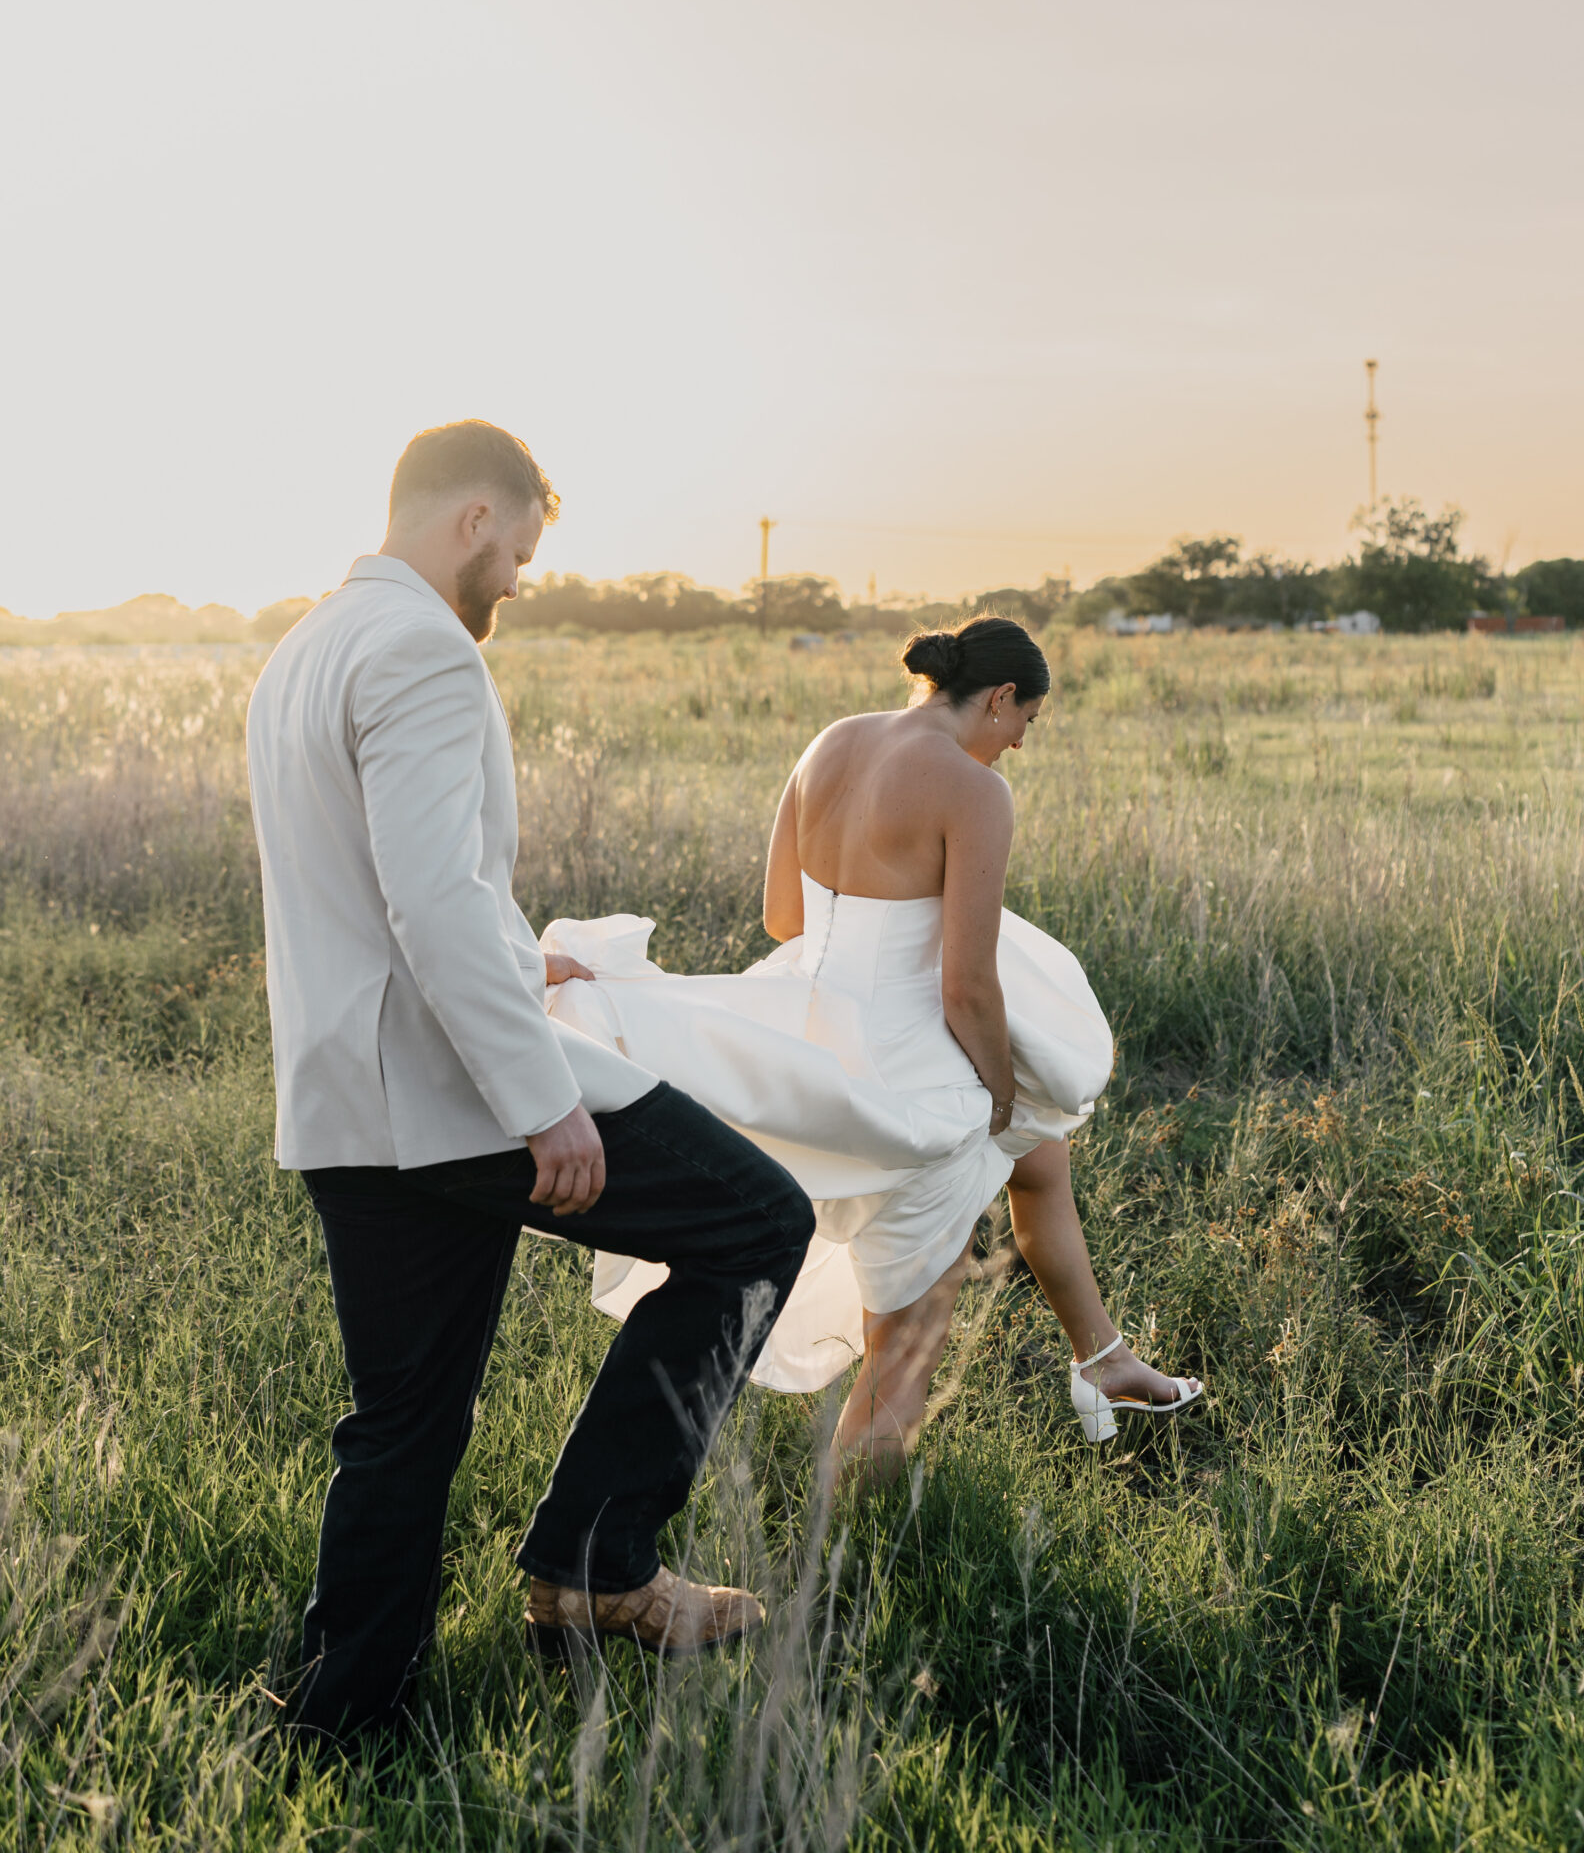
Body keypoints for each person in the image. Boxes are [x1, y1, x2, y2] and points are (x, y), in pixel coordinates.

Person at [245, 420, 813, 1750]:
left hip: (350, 1095)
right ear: (473, 520)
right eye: (521, 551)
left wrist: (524, 955)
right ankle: (595, 1566)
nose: (521, 580)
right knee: (757, 1224)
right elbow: (429, 894)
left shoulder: (306, 647)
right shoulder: (424, 652)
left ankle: (344, 1717)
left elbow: (379, 889)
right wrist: (536, 1099)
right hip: (451, 1092)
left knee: (401, 1424)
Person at [544, 615, 1202, 1479]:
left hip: (808, 1019)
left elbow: (782, 917)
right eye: (1025, 725)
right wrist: (994, 1090)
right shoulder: (972, 793)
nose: (1017, 746)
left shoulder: (831, 743)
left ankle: (1102, 1359)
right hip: (902, 1057)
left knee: (1041, 1161)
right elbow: (964, 986)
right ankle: (863, 1548)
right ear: (1000, 698)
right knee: (909, 1334)